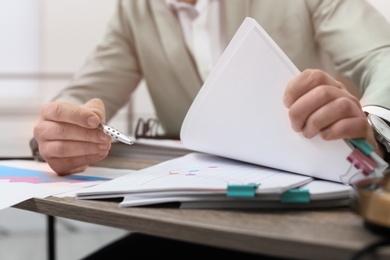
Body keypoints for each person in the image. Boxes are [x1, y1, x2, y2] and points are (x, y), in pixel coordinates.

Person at [30, 0, 390, 258]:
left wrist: (373, 123)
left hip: (315, 222)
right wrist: (59, 132)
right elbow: (81, 96)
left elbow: (384, 55)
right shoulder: (135, 9)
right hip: (196, 223)